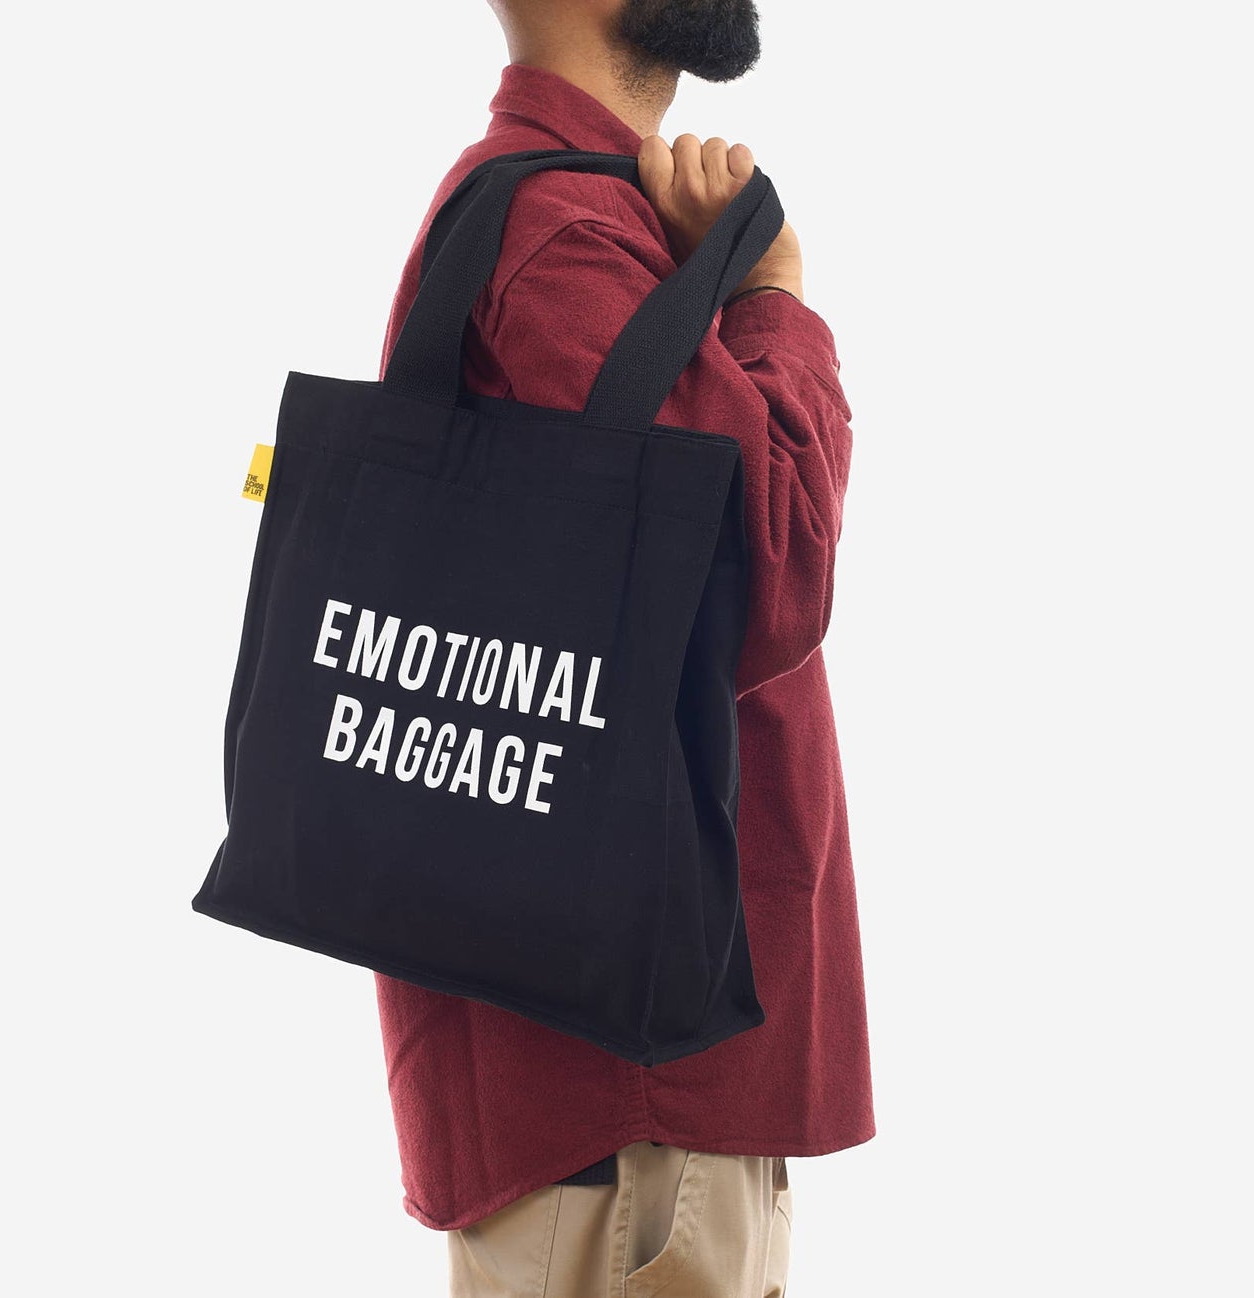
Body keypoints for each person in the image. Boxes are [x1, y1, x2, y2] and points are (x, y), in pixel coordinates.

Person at [373, 3, 874, 1293]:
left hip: (623, 1103)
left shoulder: (571, 220)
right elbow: (767, 571)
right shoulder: (562, 236)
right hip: (636, 1103)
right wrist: (771, 297)